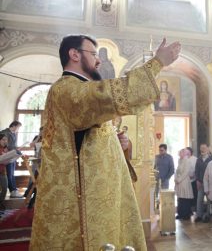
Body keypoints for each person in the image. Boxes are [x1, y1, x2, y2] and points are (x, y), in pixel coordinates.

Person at [30, 34, 181, 250]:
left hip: (103, 197)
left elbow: (91, 138)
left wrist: (121, 144)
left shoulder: (81, 89)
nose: (98, 60)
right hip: (84, 203)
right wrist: (157, 63)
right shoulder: (66, 89)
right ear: (74, 54)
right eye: (93, 54)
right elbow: (108, 95)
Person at [1, 120, 23, 198]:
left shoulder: (13, 133)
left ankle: (14, 190)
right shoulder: (5, 132)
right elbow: (5, 144)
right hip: (7, 155)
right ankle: (13, 191)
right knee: (9, 174)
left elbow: (12, 145)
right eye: (18, 127)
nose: (18, 129)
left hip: (12, 155)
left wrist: (16, 149)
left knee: (12, 174)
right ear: (13, 126)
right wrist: (13, 149)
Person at [194, 143, 212, 222]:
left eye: (204, 148)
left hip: (209, 183)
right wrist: (197, 180)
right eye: (201, 148)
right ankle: (199, 215)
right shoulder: (198, 159)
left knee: (209, 199)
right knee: (199, 199)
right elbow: (196, 171)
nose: (202, 149)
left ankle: (208, 215)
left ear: (208, 149)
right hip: (200, 182)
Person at [175, 148, 193, 220]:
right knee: (180, 198)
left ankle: (186, 214)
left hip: (184, 181)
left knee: (185, 198)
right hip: (179, 182)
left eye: (180, 153)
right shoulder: (180, 160)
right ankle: (180, 213)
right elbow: (177, 170)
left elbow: (186, 172)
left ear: (184, 153)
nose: (179, 154)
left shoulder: (187, 161)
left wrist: (179, 179)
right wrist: (176, 178)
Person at [186, 146, 198, 211]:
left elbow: (197, 169)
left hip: (193, 180)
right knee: (187, 195)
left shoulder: (195, 159)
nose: (187, 153)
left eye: (188, 151)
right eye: (186, 152)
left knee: (194, 194)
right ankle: (188, 209)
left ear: (191, 152)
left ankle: (194, 208)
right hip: (186, 181)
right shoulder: (184, 159)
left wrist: (193, 175)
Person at [0, 133, 8, 209]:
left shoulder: (5, 149)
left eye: (6, 139)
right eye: (3, 139)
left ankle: (1, 202)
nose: (5, 141)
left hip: (3, 171)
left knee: (5, 188)